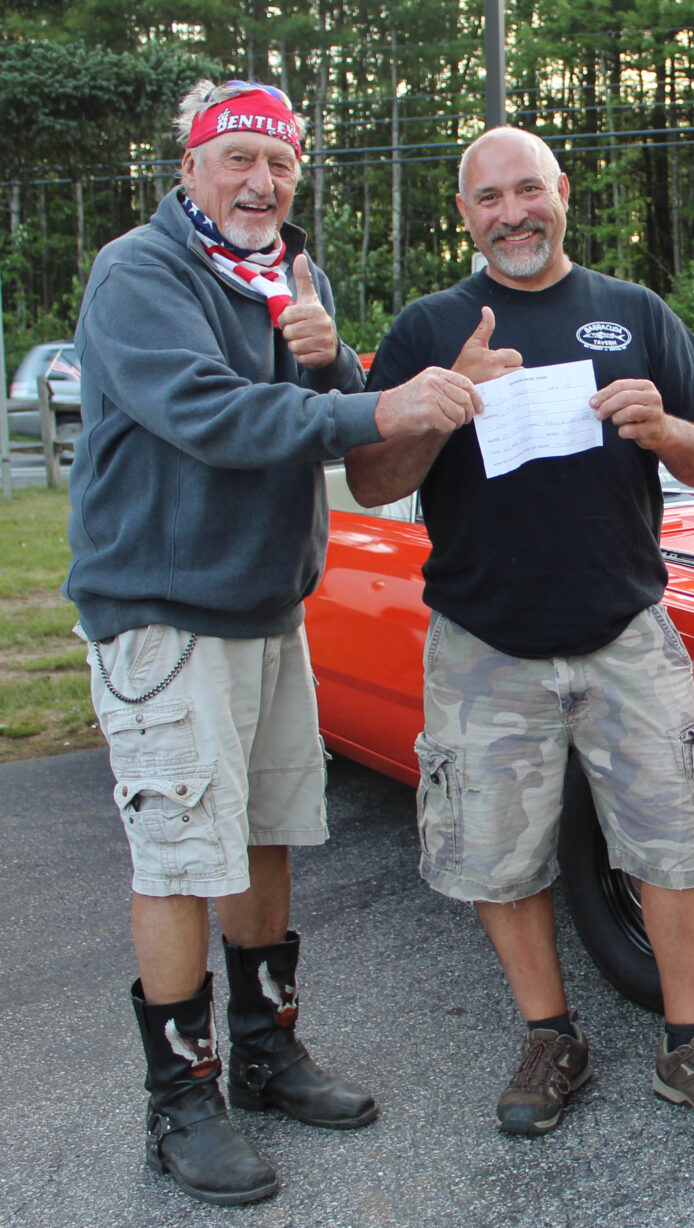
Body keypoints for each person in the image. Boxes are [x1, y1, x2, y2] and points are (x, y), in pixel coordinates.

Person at [66, 79, 481, 1206]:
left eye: (281, 164)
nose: (261, 183)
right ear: (191, 168)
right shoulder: (140, 273)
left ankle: (264, 1050)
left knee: (263, 839)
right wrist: (379, 403)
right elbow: (212, 415)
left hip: (266, 609)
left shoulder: (293, 277)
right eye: (238, 160)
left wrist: (337, 361)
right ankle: (179, 1100)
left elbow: (330, 420)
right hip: (163, 616)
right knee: (177, 861)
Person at [345, 126, 694, 1140]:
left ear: (563, 192)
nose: (513, 213)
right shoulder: (429, 325)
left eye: (527, 189)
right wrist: (442, 402)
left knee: (676, 841)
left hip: (625, 633)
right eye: (489, 198)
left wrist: (666, 428)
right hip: (483, 644)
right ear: (465, 215)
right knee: (498, 857)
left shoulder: (634, 312)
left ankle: (690, 1043)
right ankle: (550, 1035)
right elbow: (368, 481)